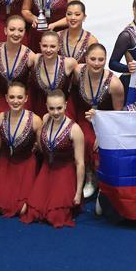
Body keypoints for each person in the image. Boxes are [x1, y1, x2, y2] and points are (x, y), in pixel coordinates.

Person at [20, 89, 85, 228]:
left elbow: (80, 163)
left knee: (56, 217)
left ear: (66, 105)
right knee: (31, 213)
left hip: (64, 173)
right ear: (46, 106)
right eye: (51, 108)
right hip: (46, 170)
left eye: (59, 108)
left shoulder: (75, 129)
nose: (55, 112)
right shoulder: (45, 119)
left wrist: (78, 193)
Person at [70, 43, 121, 198]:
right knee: (83, 139)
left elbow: (118, 115)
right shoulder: (78, 72)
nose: (97, 63)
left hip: (104, 122)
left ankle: (101, 180)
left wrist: (103, 133)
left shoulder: (114, 84)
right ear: (86, 59)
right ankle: (89, 175)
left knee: (96, 143)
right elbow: (71, 94)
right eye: (93, 59)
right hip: (82, 116)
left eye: (101, 59)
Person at [0, 82, 41, 217]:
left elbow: (42, 146)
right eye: (12, 97)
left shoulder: (35, 120)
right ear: (6, 98)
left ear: (26, 98)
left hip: (26, 167)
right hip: (5, 166)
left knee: (23, 209)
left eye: (19, 97)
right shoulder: (1, 117)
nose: (15, 101)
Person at [0, 15, 33, 113]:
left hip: (20, 102)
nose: (16, 34)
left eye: (20, 30)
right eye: (12, 29)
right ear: (5, 30)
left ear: (25, 32)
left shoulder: (30, 56)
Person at [29, 31, 78, 118]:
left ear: (59, 46)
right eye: (44, 46)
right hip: (40, 109)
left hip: (61, 111)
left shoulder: (69, 63)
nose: (48, 50)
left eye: (52, 46)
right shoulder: (36, 59)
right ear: (40, 45)